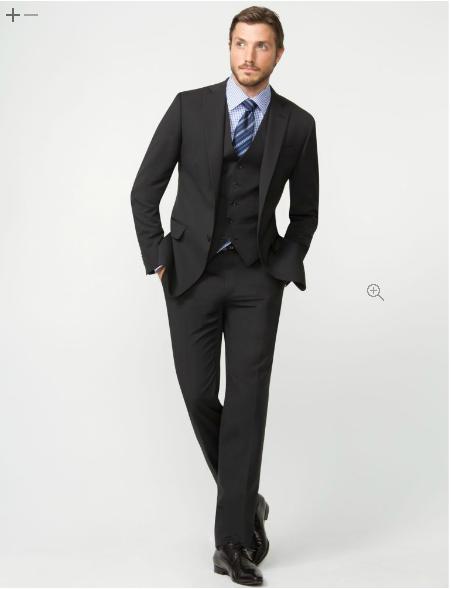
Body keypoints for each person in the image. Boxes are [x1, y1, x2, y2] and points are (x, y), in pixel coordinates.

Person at [130, 5, 319, 585]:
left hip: (256, 281)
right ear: (229, 46)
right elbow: (144, 190)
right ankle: (245, 499)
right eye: (240, 43)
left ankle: (231, 543)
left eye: (261, 46)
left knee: (247, 403)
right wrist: (159, 257)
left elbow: (306, 212)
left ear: (278, 54)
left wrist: (279, 269)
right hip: (190, 274)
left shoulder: (297, 124)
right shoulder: (189, 107)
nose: (248, 56)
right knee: (197, 394)